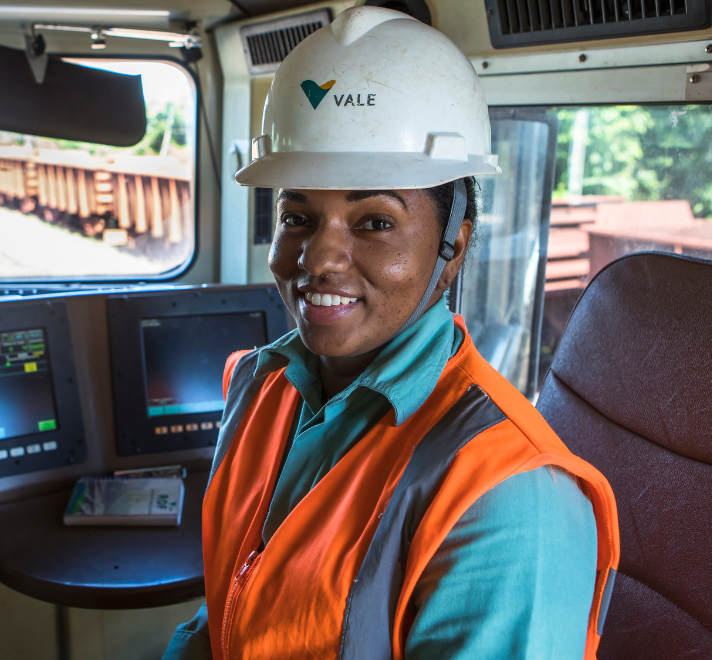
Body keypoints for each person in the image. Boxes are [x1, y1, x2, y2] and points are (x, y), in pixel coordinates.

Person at [163, 6, 619, 659]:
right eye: (297, 215)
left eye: (374, 222)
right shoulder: (260, 387)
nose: (318, 258)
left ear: (454, 240)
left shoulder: (512, 501)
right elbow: (228, 615)